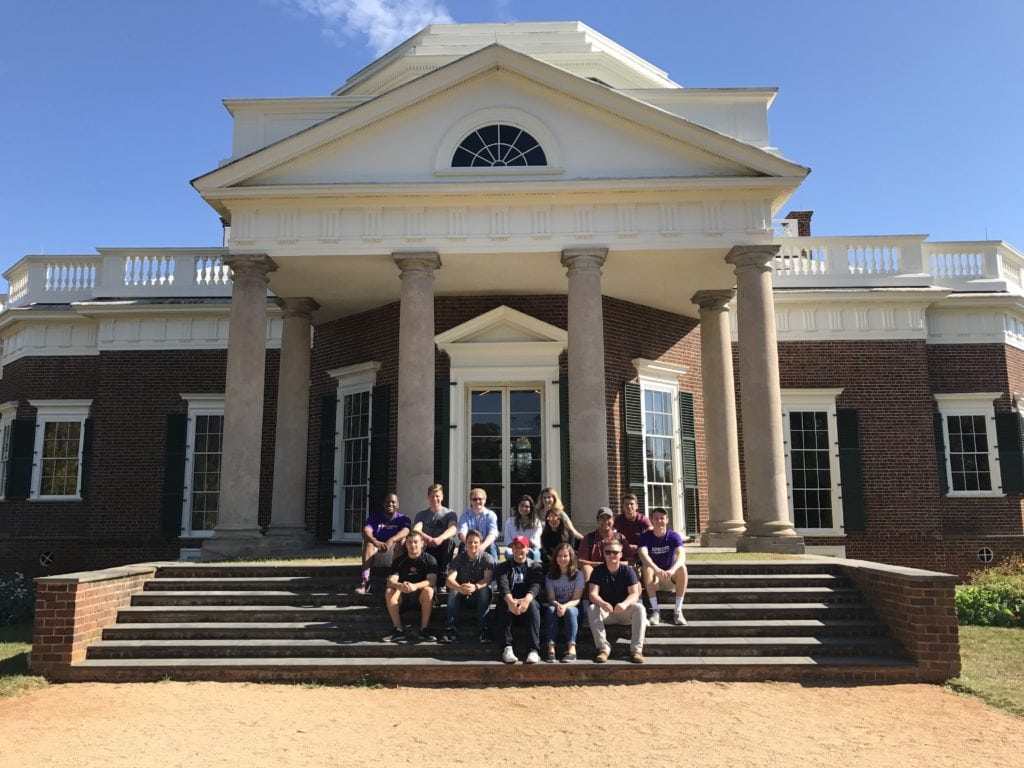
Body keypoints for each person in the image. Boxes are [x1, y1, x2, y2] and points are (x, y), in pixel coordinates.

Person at [586, 540, 647, 663]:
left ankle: (636, 650)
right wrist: (602, 603)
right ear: (603, 554)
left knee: (640, 608)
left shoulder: (628, 571)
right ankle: (603, 649)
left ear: (620, 554)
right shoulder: (598, 571)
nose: (612, 555)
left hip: (624, 612)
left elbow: (635, 594)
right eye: (608, 552)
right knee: (592, 608)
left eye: (615, 552)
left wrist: (624, 604)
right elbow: (592, 594)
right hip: (607, 612)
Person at [494, 535, 544, 664]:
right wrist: (511, 601)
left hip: (527, 603)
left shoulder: (535, 566)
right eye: (516, 547)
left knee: (533, 605)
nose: (519, 550)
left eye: (522, 547)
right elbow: (503, 584)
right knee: (504, 604)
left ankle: (533, 650)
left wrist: (526, 600)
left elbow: (536, 585)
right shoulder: (503, 566)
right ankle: (507, 648)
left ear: (528, 549)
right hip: (510, 603)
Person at [441, 529, 495, 644]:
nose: (472, 545)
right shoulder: (459, 558)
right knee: (453, 590)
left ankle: (483, 628)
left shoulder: (487, 558)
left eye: (475, 542)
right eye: (470, 542)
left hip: (479, 594)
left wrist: (475, 587)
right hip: (462, 595)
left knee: (485, 589)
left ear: (480, 543)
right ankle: (451, 628)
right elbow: (449, 580)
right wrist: (460, 588)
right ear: (465, 544)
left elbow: (487, 579)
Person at [637, 507, 688, 626]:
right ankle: (655, 610)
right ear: (651, 520)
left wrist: (672, 570)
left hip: (670, 578)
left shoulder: (674, 536)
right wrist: (656, 569)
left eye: (662, 518)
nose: (659, 521)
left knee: (682, 568)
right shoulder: (645, 536)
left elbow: (681, 554)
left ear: (667, 520)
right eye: (656, 518)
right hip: (654, 579)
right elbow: (643, 554)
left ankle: (678, 610)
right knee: (646, 567)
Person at [384, 531, 437, 642]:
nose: (412, 545)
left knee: (429, 590)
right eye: (409, 542)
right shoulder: (399, 561)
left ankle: (424, 630)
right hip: (403, 596)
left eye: (415, 542)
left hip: (421, 598)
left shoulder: (429, 559)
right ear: (406, 544)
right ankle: (398, 630)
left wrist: (415, 586)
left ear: (422, 543)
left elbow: (431, 580)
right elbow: (391, 580)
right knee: (390, 591)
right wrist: (398, 585)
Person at [355, 492, 411, 595]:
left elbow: (406, 531)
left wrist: (391, 540)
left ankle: (394, 577)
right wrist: (375, 541)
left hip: (394, 550)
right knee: (369, 543)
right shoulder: (374, 517)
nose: (390, 504)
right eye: (388, 502)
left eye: (393, 502)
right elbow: (366, 530)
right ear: (383, 504)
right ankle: (365, 581)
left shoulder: (403, 518)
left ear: (398, 505)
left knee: (402, 541)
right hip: (377, 549)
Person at [543, 542, 585, 663]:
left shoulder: (578, 575)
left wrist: (564, 606)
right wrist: (558, 605)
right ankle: (551, 648)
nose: (562, 559)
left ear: (571, 557)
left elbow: (577, 599)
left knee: (571, 611)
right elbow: (551, 598)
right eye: (559, 556)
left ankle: (572, 648)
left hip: (573, 607)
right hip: (556, 605)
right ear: (555, 557)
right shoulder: (550, 575)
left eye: (565, 556)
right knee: (550, 609)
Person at [413, 483, 458, 586]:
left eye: (437, 496)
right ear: (428, 497)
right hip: (426, 546)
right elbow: (416, 529)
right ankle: (419, 575)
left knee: (450, 541)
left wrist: (440, 538)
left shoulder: (449, 513)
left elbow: (453, 528)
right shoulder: (421, 514)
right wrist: (427, 538)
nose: (435, 499)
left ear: (442, 497)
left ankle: (442, 579)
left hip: (442, 547)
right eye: (432, 496)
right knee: (416, 540)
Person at [576, 507, 628, 579]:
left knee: (632, 572)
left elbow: (630, 561)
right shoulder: (589, 538)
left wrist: (615, 564)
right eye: (602, 518)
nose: (605, 521)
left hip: (617, 573)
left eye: (608, 518)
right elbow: (580, 562)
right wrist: (602, 565)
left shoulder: (620, 538)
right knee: (586, 569)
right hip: (595, 574)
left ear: (613, 520)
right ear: (597, 520)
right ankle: (590, 590)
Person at [457, 487, 500, 562]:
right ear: (471, 501)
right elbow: (462, 532)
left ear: (485, 500)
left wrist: (482, 546)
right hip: (469, 543)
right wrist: (469, 544)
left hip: (486, 543)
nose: (477, 501)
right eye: (474, 499)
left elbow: (493, 533)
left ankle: (494, 571)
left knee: (491, 546)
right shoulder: (465, 515)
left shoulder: (491, 515)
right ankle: (461, 571)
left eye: (480, 499)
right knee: (462, 546)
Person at [503, 494, 543, 561]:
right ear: (518, 506)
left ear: (531, 508)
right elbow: (508, 541)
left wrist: (522, 549)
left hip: (531, 550)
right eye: (521, 505)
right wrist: (518, 549)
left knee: (532, 554)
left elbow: (534, 543)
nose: (524, 508)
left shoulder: (536, 522)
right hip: (514, 549)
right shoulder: (510, 521)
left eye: (527, 506)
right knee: (508, 553)